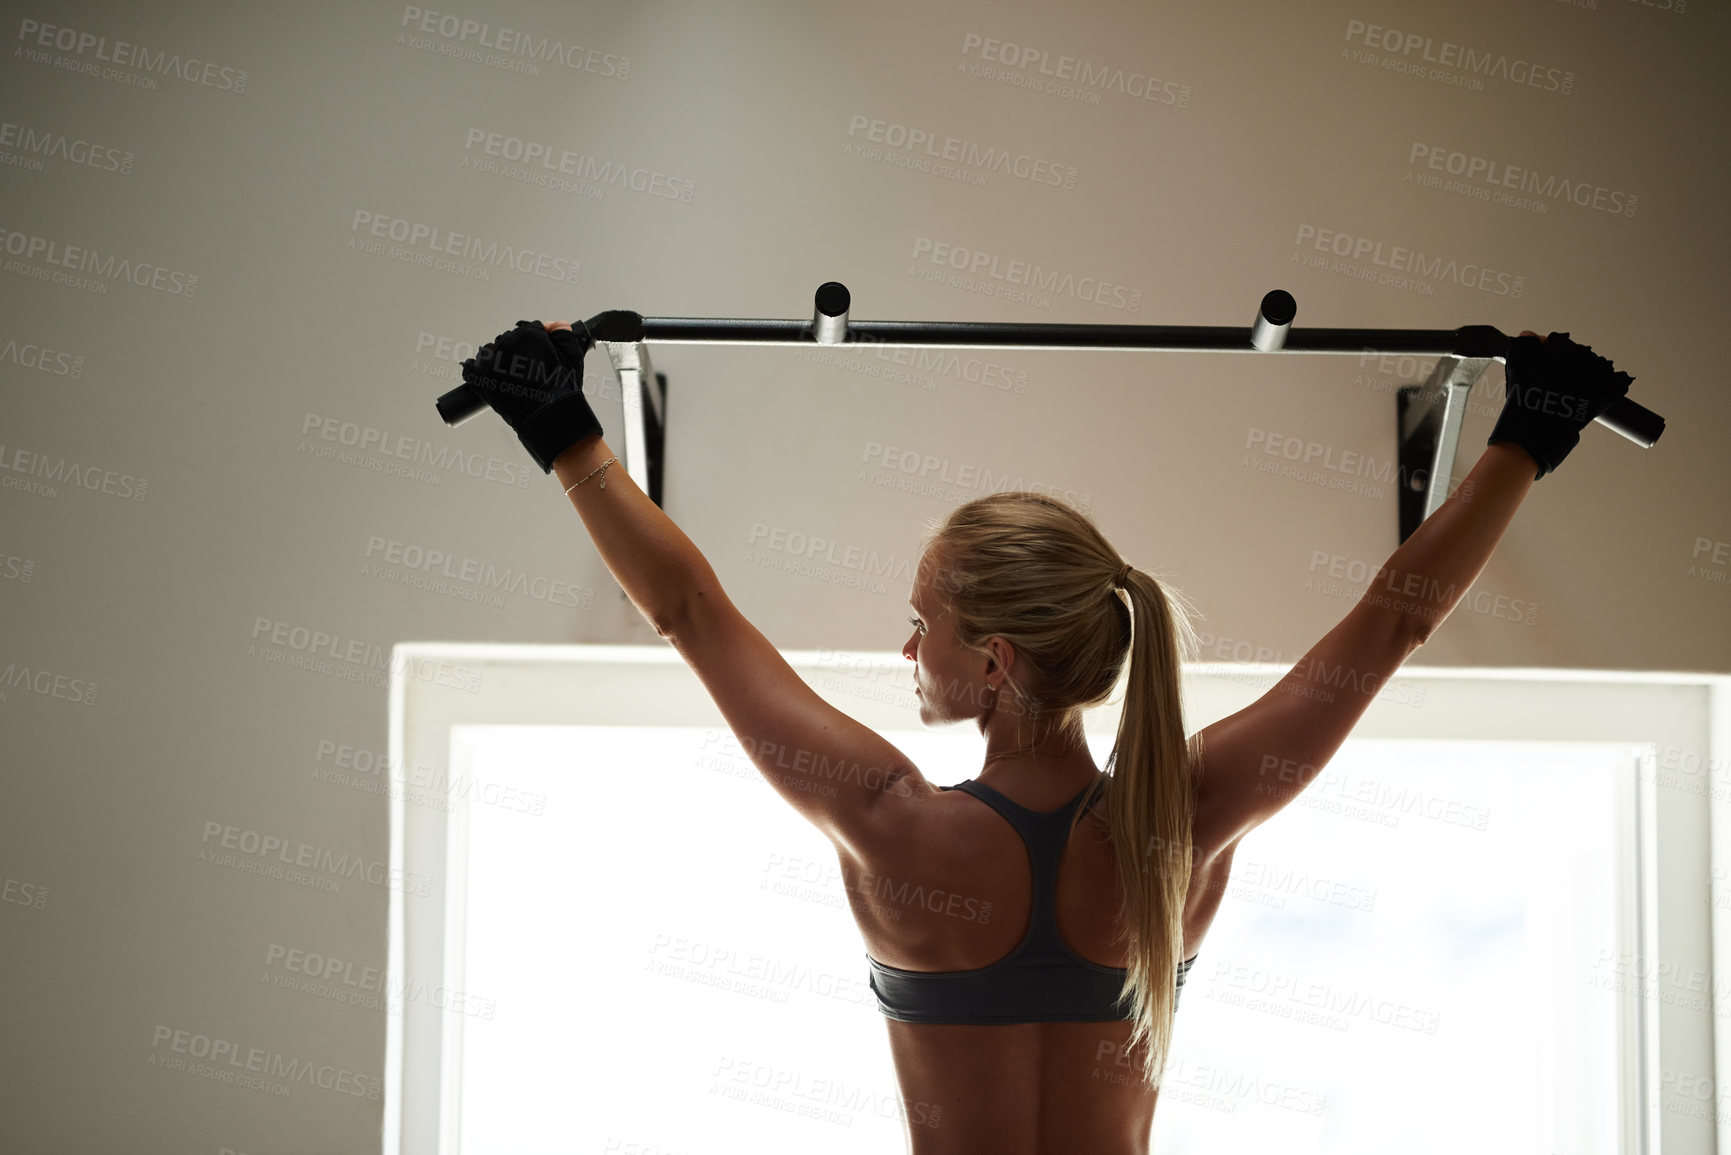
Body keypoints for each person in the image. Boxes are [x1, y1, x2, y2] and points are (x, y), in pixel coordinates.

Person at [452, 317, 1634, 1155]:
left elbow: (692, 614)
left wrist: (561, 430)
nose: (908, 653)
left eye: (923, 627)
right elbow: (1394, 621)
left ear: (998, 661)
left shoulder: (889, 825)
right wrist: (1532, 436)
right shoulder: (1187, 819)